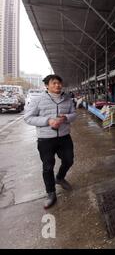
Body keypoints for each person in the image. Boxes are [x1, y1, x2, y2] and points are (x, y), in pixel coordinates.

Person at [24, 74, 77, 209]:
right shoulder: (38, 99)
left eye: (59, 83)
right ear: (47, 85)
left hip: (64, 136)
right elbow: (28, 118)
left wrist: (66, 117)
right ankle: (50, 193)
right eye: (54, 83)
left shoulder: (67, 99)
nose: (57, 85)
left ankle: (59, 177)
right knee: (48, 167)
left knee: (69, 160)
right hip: (45, 139)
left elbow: (74, 114)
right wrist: (48, 121)